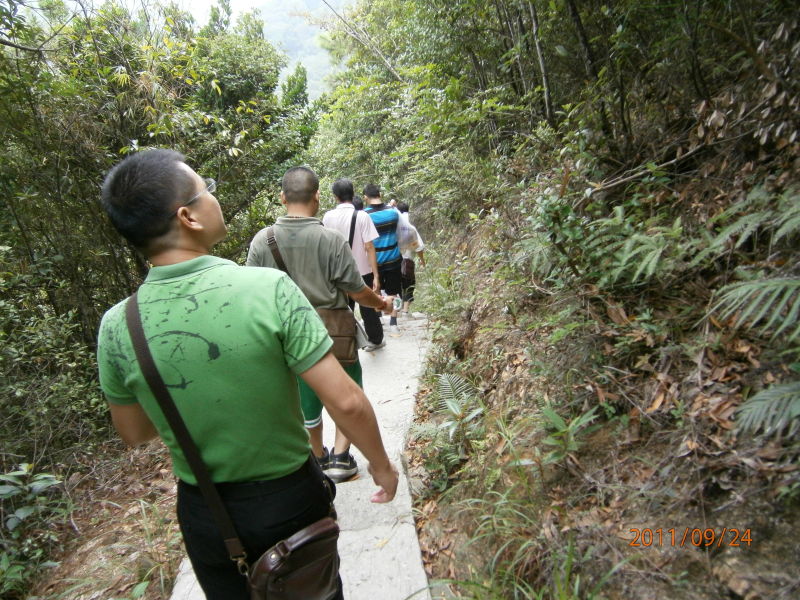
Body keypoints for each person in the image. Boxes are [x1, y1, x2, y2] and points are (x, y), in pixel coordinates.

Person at [96, 150, 398, 600]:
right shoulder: (268, 291)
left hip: (204, 512)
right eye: (206, 190)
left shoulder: (119, 325)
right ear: (188, 217)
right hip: (288, 501)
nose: (213, 198)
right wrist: (381, 465)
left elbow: (135, 432)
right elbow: (348, 401)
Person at [247, 168, 394, 483]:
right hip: (334, 332)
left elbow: (251, 294)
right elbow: (356, 291)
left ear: (282, 198)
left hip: (283, 333)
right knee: (347, 389)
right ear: (316, 197)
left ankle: (317, 454)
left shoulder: (262, 240)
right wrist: (381, 303)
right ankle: (342, 456)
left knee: (302, 394)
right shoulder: (331, 240)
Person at [322, 178, 384, 351]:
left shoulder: (327, 217)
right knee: (368, 307)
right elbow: (369, 246)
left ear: (335, 196)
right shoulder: (362, 216)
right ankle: (376, 340)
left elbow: (326, 247)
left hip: (338, 271)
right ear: (353, 193)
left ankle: (347, 342)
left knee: (344, 309)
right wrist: (376, 275)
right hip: (362, 270)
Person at [363, 184, 403, 336]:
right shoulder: (393, 212)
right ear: (379, 194)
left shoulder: (364, 215)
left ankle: (378, 318)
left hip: (375, 261)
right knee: (394, 292)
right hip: (393, 258)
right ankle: (394, 324)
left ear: (366, 197)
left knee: (376, 291)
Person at [396, 201, 426, 315]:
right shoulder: (410, 228)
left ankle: (397, 310)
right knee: (408, 285)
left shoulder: (394, 227)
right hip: (408, 261)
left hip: (394, 261)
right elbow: (419, 248)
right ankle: (405, 310)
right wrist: (422, 261)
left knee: (396, 286)